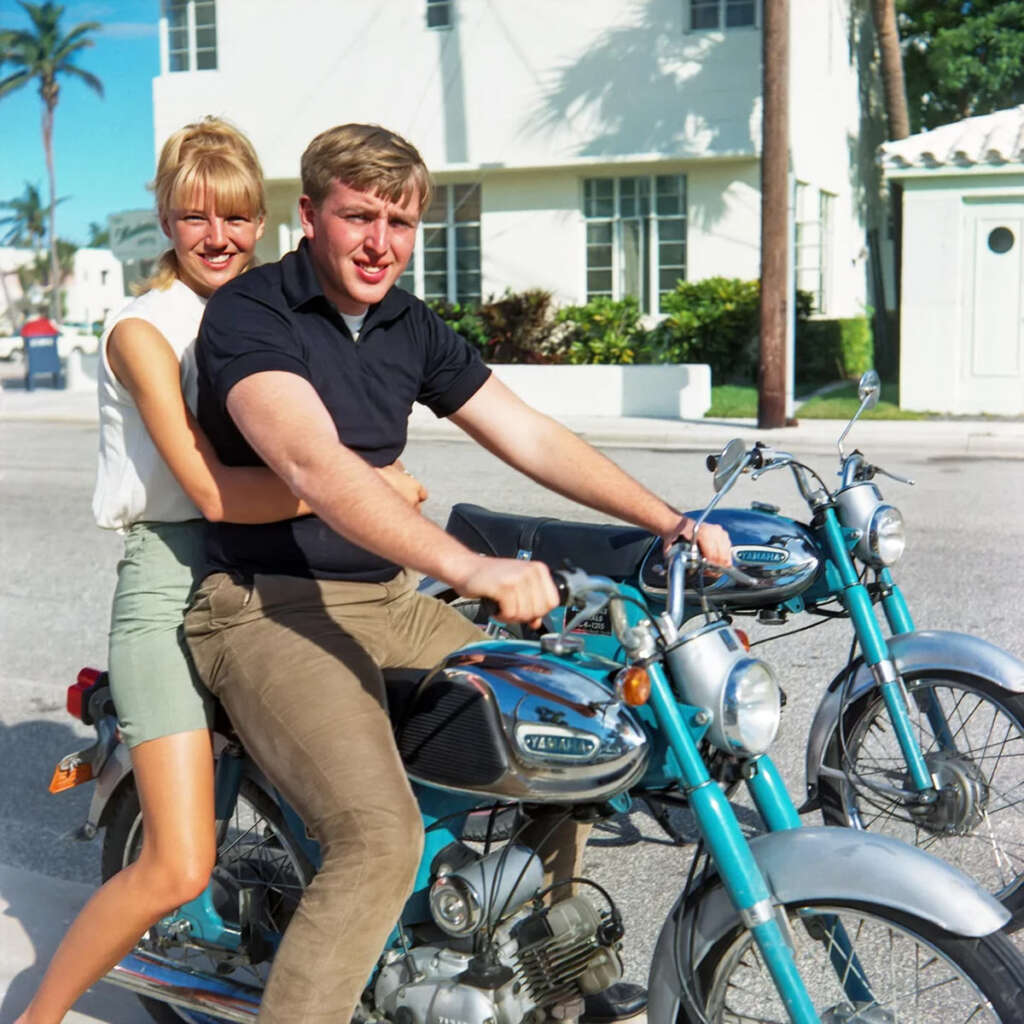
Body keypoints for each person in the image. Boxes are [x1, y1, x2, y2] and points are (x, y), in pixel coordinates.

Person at [184, 122, 731, 1024]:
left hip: (390, 601)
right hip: (264, 610)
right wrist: (470, 564)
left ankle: (552, 987)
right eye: (359, 216)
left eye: (400, 224)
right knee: (379, 838)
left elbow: (528, 434)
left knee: (576, 740)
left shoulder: (408, 323)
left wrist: (670, 520)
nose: (379, 244)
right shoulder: (251, 315)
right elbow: (314, 467)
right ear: (310, 216)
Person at [13, 117, 426, 1024]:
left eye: (237, 217)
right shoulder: (143, 329)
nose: (219, 237)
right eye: (196, 216)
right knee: (179, 862)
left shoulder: (270, 311)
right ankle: (38, 1016)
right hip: (171, 581)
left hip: (277, 574)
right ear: (164, 217)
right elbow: (208, 492)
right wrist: (361, 491)